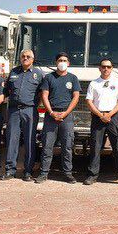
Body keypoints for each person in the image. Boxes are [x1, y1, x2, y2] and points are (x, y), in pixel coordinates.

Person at [83, 58, 118, 187]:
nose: (106, 69)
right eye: (103, 66)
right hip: (98, 117)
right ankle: (92, 175)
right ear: (99, 68)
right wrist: (100, 115)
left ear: (112, 68)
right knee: (95, 147)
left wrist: (109, 114)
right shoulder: (94, 83)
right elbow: (89, 101)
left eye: (108, 67)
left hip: (113, 117)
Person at [36, 52, 80, 184]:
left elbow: (76, 97)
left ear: (68, 63)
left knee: (67, 146)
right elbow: (44, 95)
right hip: (51, 116)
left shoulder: (73, 78)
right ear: (56, 62)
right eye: (60, 60)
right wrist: (51, 112)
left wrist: (66, 113)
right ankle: (43, 173)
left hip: (67, 117)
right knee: (47, 146)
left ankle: (67, 173)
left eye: (65, 60)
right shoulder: (49, 77)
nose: (62, 62)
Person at [3, 49, 44, 181]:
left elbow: (43, 93)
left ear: (33, 59)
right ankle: (10, 170)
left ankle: (28, 171)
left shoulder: (39, 74)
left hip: (30, 110)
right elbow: (6, 91)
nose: (25, 58)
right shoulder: (14, 72)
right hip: (14, 111)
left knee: (30, 141)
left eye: (28, 57)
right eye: (23, 56)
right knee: (11, 141)